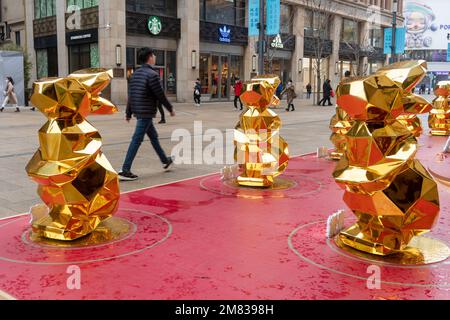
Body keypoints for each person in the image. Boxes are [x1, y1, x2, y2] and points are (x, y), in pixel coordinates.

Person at [119, 47, 175, 181]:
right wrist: (170, 108)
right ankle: (125, 170)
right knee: (136, 140)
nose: (155, 57)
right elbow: (160, 95)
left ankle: (164, 160)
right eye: (154, 55)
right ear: (150, 57)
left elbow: (131, 96)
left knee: (153, 137)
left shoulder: (135, 74)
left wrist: (128, 112)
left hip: (140, 111)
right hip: (146, 112)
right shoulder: (153, 75)